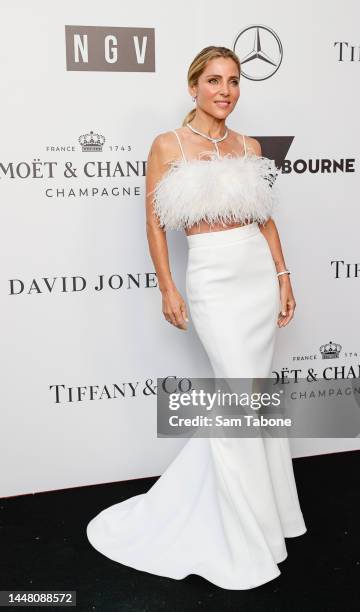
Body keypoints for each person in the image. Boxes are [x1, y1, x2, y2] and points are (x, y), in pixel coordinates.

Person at [86, 45, 307, 590]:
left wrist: (283, 275)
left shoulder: (249, 145)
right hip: (211, 278)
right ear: (193, 88)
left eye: (233, 81)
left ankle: (269, 518)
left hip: (256, 275)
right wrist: (167, 286)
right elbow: (155, 224)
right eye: (214, 81)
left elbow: (265, 219)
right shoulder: (167, 145)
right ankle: (241, 537)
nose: (226, 91)